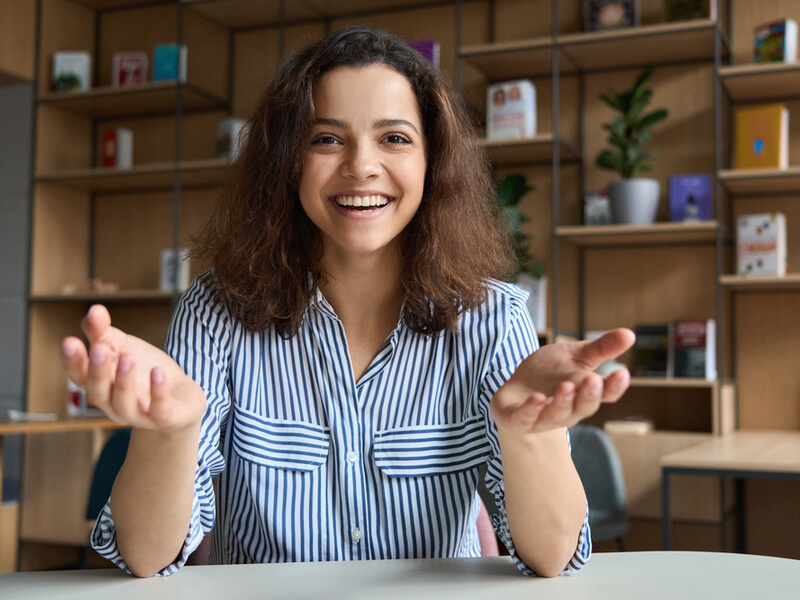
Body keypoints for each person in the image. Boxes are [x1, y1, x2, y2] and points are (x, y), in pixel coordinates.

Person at [61, 26, 634, 579]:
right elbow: (146, 557)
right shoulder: (215, 311)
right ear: (287, 161)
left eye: (395, 138)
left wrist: (528, 437)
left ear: (432, 162)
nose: (361, 166)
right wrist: (171, 433)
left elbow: (552, 558)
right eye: (326, 139)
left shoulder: (494, 318)